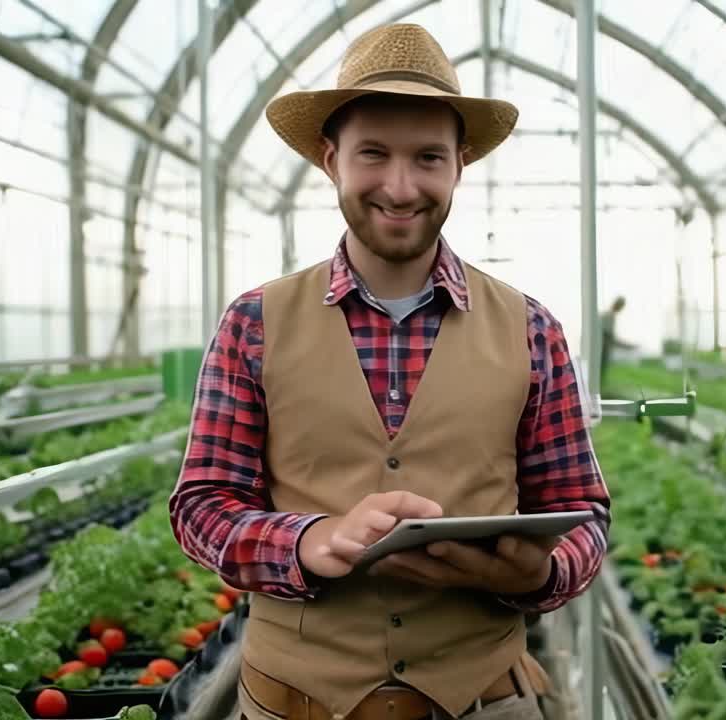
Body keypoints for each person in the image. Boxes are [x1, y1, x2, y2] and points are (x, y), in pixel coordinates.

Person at [169, 23, 611, 720]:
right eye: (372, 154)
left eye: (428, 158)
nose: (401, 187)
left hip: (486, 700)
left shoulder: (531, 329)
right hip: (297, 702)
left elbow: (585, 510)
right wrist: (307, 540)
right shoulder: (255, 322)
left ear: (459, 165)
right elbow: (201, 506)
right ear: (330, 160)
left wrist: (544, 572)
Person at [598, 296, 637, 385]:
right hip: (602, 349)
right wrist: (627, 346)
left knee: (600, 376)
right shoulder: (609, 316)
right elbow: (609, 337)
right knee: (599, 376)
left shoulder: (608, 315)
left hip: (603, 348)